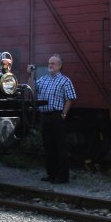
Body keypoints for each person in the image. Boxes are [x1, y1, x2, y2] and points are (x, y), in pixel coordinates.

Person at [28, 54, 77, 184]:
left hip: (57, 116)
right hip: (45, 116)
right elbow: (31, 90)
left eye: (53, 63)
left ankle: (62, 177)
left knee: (60, 147)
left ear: (60, 66)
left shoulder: (65, 81)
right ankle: (51, 174)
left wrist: (64, 114)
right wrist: (31, 75)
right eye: (49, 63)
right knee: (48, 146)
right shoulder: (43, 79)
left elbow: (70, 98)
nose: (50, 65)